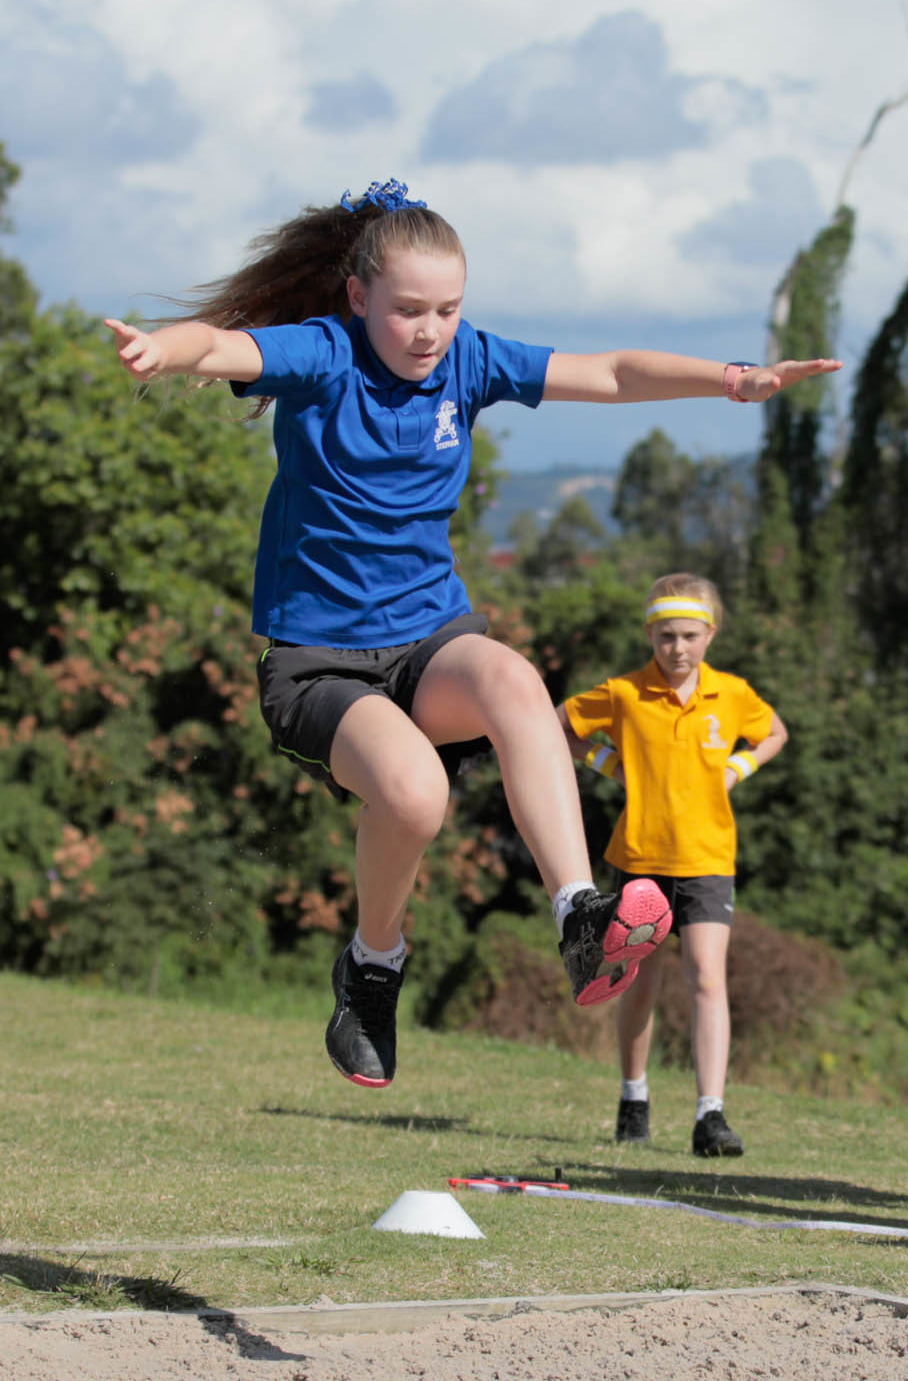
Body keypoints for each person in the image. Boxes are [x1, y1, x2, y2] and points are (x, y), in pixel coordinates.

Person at [105, 179, 838, 1091]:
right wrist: (161, 351)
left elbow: (611, 372)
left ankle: (580, 918)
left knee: (514, 681)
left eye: (447, 310)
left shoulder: (470, 362)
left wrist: (731, 380)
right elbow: (219, 345)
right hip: (318, 664)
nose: (430, 332)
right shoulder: (323, 354)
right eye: (408, 310)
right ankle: (374, 966)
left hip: (427, 643)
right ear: (358, 296)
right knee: (416, 796)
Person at [561, 574, 788, 1158]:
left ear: (710, 635)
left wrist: (738, 768)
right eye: (666, 636)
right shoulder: (624, 692)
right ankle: (633, 1097)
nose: (678, 648)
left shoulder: (732, 694)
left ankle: (711, 1114)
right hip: (640, 856)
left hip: (709, 857)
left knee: (707, 978)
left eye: (689, 635)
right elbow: (559, 725)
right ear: (650, 635)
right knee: (640, 981)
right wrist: (608, 764)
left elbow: (774, 732)